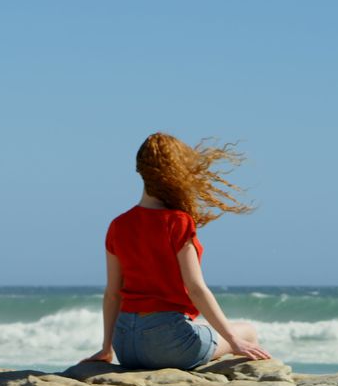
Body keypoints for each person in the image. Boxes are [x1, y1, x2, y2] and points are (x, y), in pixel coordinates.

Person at [83, 132, 271, 369]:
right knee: (248, 331)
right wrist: (234, 341)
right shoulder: (177, 221)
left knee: (202, 327)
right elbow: (195, 288)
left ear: (140, 170)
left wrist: (107, 347)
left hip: (125, 345)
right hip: (167, 343)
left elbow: (113, 293)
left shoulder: (119, 224)